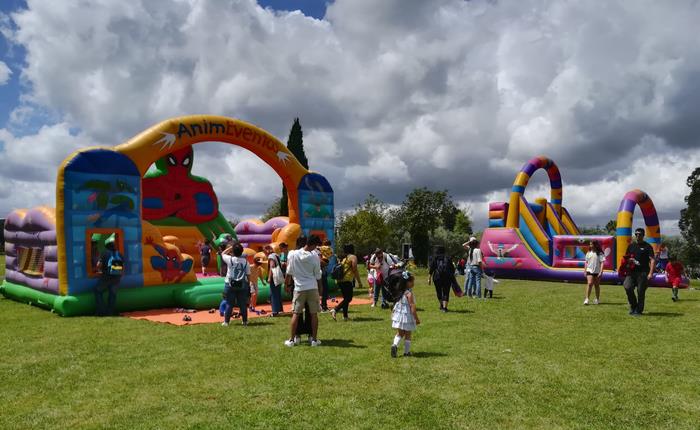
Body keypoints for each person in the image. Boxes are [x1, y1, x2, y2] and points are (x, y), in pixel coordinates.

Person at [284, 235, 323, 347]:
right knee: (313, 314)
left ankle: (292, 340)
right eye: (315, 245)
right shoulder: (314, 256)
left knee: (296, 313)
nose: (316, 248)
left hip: (299, 288)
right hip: (312, 287)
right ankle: (314, 340)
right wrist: (321, 288)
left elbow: (289, 271)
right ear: (312, 244)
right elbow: (317, 274)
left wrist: (287, 284)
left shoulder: (293, 254)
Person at [623, 228, 656, 316]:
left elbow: (652, 260)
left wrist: (651, 273)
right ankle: (633, 306)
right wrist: (629, 260)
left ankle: (639, 310)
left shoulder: (648, 247)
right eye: (636, 234)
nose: (638, 235)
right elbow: (626, 258)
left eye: (640, 234)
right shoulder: (631, 246)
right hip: (631, 272)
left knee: (640, 291)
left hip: (643, 272)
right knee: (627, 287)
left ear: (643, 235)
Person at [390, 271, 419, 358]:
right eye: (412, 281)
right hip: (407, 316)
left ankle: (394, 345)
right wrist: (416, 318)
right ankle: (406, 352)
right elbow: (412, 307)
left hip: (399, 315)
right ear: (407, 283)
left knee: (400, 333)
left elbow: (395, 304)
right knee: (408, 334)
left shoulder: (399, 292)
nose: (413, 283)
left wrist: (393, 313)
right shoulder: (409, 294)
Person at [331, 244, 363, 321]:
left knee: (346, 298)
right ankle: (335, 309)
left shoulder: (345, 258)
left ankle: (345, 316)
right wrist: (359, 282)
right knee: (349, 298)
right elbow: (355, 269)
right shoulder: (353, 257)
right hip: (346, 280)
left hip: (340, 280)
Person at [220, 243, 251, 327]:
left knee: (229, 304)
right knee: (242, 304)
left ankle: (226, 322)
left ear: (233, 251)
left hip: (230, 284)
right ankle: (245, 321)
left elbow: (222, 253)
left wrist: (230, 247)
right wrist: (248, 285)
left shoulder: (230, 259)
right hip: (242, 284)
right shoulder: (246, 262)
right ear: (242, 252)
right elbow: (248, 275)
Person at [95, 237, 124, 316]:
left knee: (98, 291)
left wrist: (98, 270)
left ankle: (102, 310)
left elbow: (98, 265)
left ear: (106, 246)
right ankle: (110, 312)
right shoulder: (119, 253)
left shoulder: (104, 253)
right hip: (117, 277)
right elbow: (123, 266)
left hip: (106, 277)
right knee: (112, 294)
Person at [428, 246, 454, 312]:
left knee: (439, 291)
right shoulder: (448, 258)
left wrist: (429, 278)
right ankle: (445, 308)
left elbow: (431, 269)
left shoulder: (435, 258)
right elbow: (452, 269)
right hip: (447, 277)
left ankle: (441, 305)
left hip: (437, 277)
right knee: (446, 292)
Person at [583, 240, 605, 305]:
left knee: (597, 285)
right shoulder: (588, 253)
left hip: (597, 271)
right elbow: (586, 262)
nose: (590, 246)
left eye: (592, 244)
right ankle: (587, 299)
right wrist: (585, 270)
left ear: (595, 245)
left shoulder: (600, 253)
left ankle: (597, 299)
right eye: (590, 244)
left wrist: (601, 272)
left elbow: (602, 263)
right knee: (589, 284)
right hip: (589, 270)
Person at [264, 245, 283, 316]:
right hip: (279, 277)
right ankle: (280, 310)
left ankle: (275, 311)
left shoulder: (271, 256)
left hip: (274, 278)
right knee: (277, 293)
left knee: (273, 294)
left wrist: (269, 277)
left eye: (264, 251)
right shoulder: (276, 255)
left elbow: (272, 266)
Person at [319, 239, 333, 312]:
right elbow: (322, 262)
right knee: (324, 290)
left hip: (322, 272)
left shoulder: (319, 249)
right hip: (321, 273)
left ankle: (323, 305)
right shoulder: (322, 250)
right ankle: (323, 306)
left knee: (323, 290)